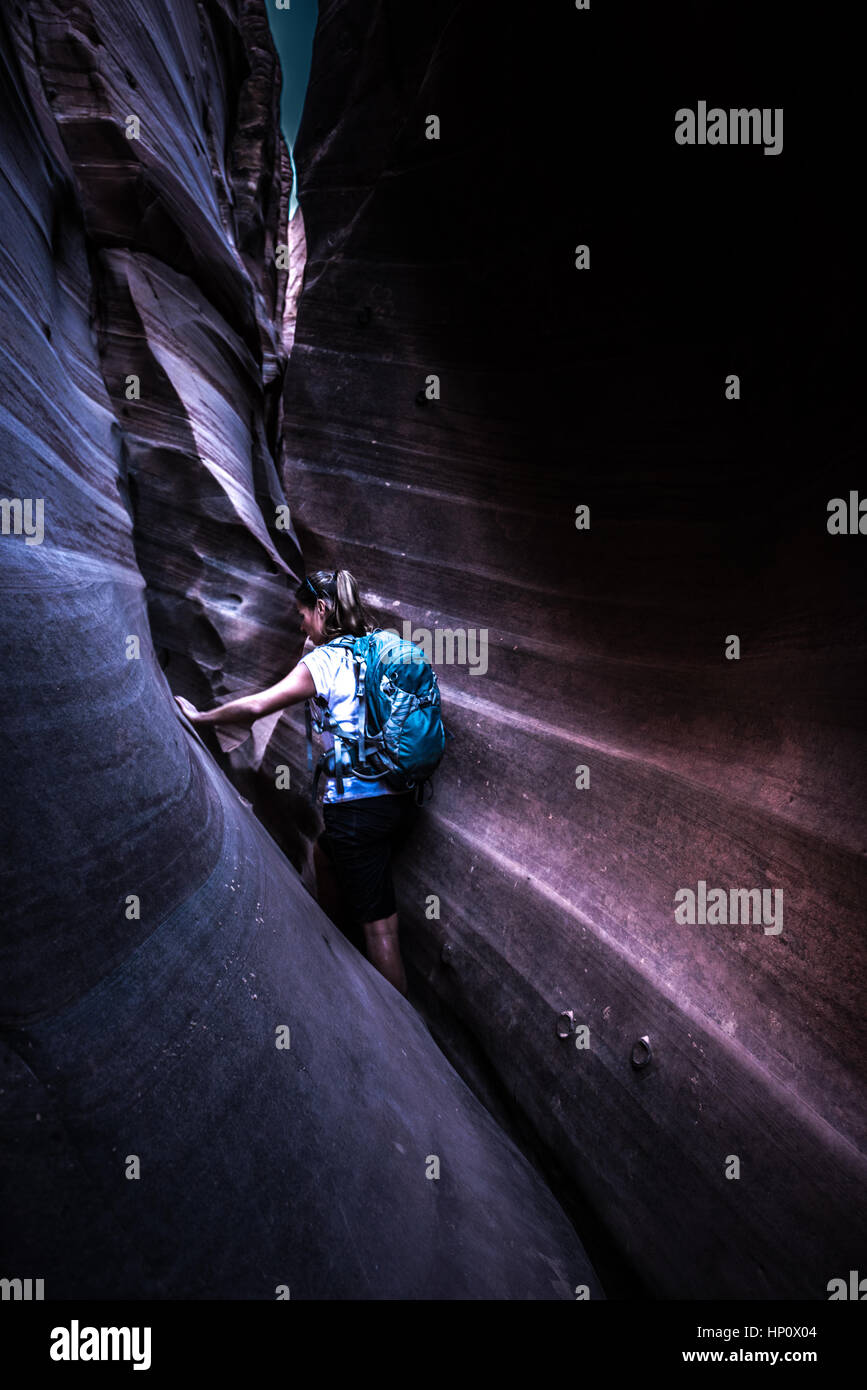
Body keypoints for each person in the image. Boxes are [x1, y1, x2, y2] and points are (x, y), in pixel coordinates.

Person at [174, 568, 418, 997]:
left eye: (303, 614)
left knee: (382, 932)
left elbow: (257, 706)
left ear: (322, 609)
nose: (300, 623)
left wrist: (201, 717)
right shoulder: (376, 646)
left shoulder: (324, 662)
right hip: (397, 795)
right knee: (326, 856)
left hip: (358, 807)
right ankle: (332, 946)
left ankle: (400, 1038)